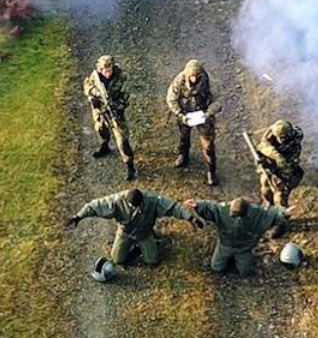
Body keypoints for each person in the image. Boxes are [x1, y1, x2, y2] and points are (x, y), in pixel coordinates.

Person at [67, 187, 202, 266]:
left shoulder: (152, 200)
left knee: (152, 261)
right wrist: (78, 217)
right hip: (125, 232)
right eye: (132, 206)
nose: (135, 208)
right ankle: (128, 245)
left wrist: (190, 218)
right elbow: (94, 206)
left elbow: (173, 207)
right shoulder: (116, 201)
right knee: (117, 259)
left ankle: (146, 243)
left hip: (144, 233)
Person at [185, 195, 291, 278]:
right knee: (216, 267)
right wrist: (197, 205)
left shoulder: (257, 213)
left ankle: (241, 260)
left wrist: (284, 213)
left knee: (245, 271)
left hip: (244, 248)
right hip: (225, 245)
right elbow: (211, 207)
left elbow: (272, 214)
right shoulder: (224, 209)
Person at [166, 59, 220, 186]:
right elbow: (171, 99)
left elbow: (218, 100)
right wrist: (180, 114)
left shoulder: (209, 81)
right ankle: (183, 156)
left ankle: (211, 171)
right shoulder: (179, 81)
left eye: (196, 76)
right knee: (184, 137)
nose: (194, 79)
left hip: (203, 114)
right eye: (191, 76)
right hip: (185, 114)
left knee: (208, 146)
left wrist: (208, 113)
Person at [83, 53, 136, 178]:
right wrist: (96, 93)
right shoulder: (95, 76)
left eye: (110, 70)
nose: (108, 73)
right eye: (105, 71)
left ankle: (129, 165)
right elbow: (87, 86)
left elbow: (127, 96)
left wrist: (117, 105)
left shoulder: (121, 77)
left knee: (122, 140)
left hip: (116, 112)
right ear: (100, 70)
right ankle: (105, 144)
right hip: (100, 110)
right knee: (100, 128)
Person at [255, 119, 304, 207]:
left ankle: (281, 215)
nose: (278, 139)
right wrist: (273, 155)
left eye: (280, 138)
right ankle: (268, 205)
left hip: (284, 173)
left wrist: (272, 164)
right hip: (271, 166)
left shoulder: (292, 148)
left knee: (280, 194)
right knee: (265, 186)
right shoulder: (275, 131)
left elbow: (286, 171)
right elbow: (263, 144)